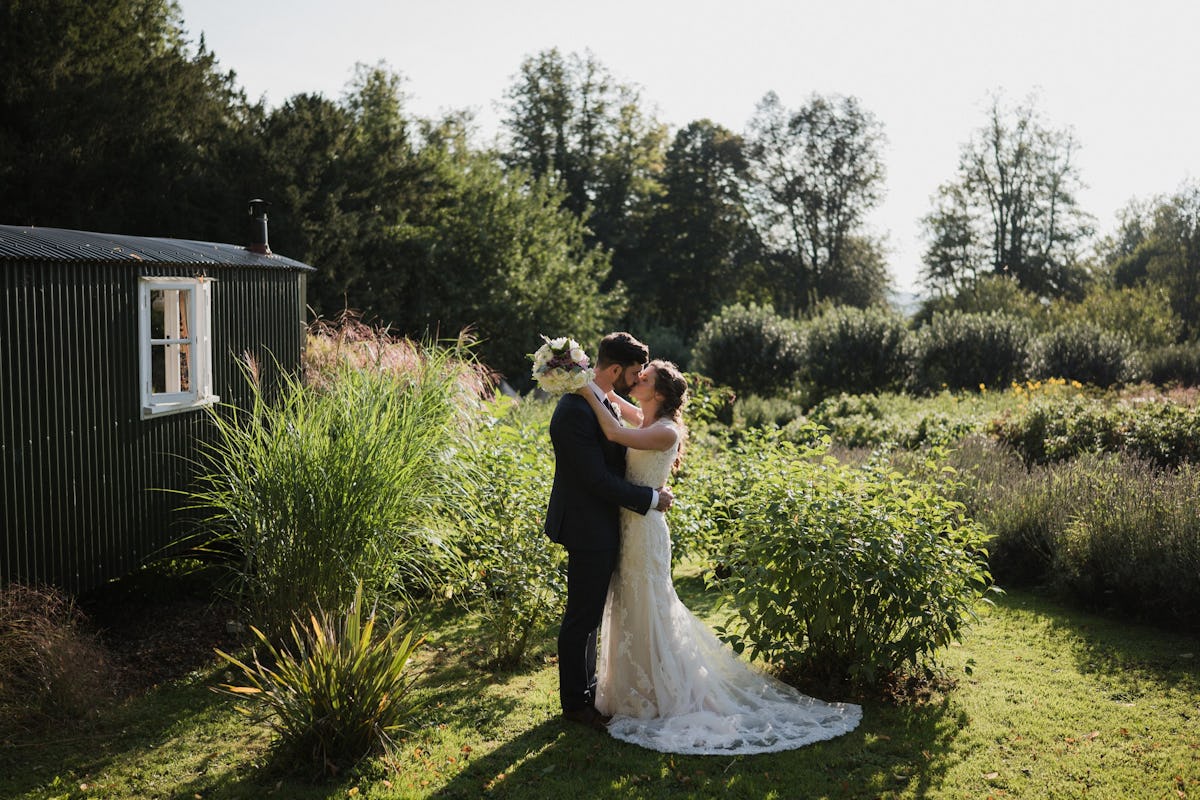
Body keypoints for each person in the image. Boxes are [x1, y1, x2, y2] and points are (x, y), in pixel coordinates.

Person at [575, 359, 862, 754]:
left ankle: (660, 693)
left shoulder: (663, 431)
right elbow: (609, 397)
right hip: (630, 524)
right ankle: (635, 691)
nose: (636, 380)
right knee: (630, 602)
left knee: (649, 604)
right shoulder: (645, 416)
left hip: (644, 531)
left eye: (644, 378)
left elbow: (610, 427)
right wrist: (577, 375)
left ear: (658, 392)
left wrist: (581, 387)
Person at [544, 332, 674, 732]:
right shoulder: (573, 411)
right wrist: (650, 498)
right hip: (587, 526)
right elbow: (598, 480)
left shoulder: (600, 401)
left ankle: (587, 691)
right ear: (615, 370)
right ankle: (576, 704)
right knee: (582, 617)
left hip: (607, 524)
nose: (635, 382)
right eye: (634, 374)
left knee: (592, 614)